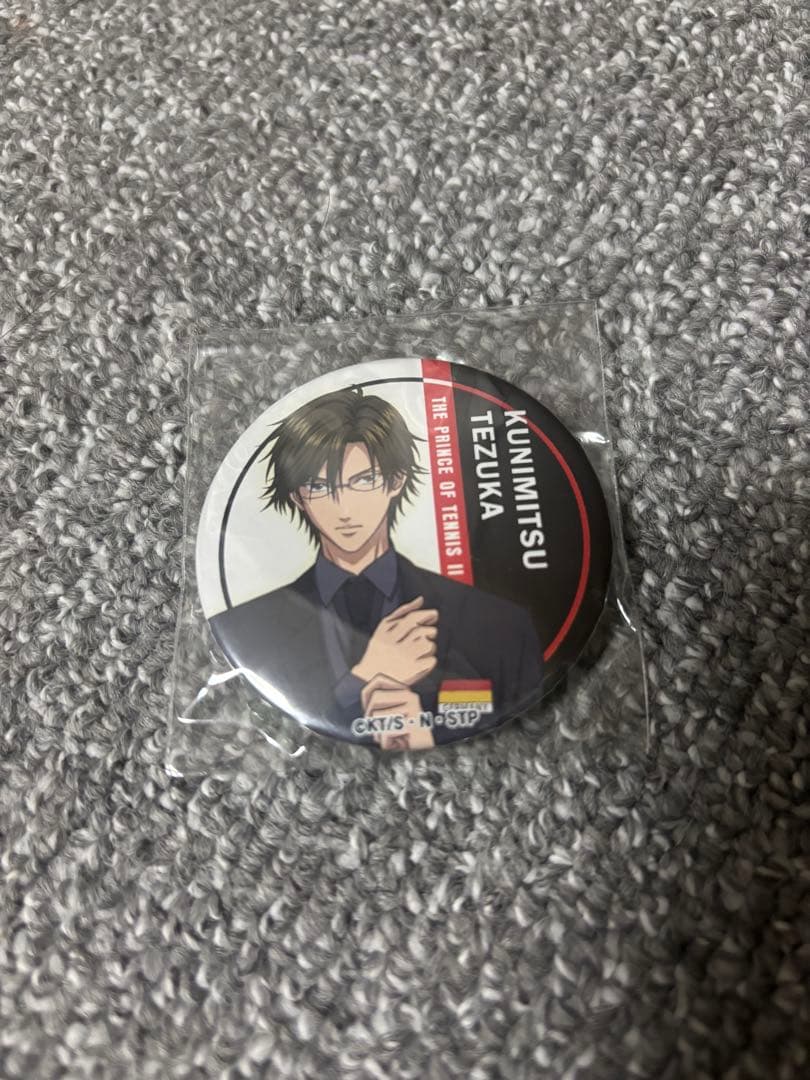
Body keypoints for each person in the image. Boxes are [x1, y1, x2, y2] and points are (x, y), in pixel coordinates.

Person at [209, 387, 542, 748]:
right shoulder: (245, 628)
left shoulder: (501, 626)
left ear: (395, 480)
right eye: (319, 486)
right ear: (297, 497)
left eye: (363, 481)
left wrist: (429, 731)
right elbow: (258, 728)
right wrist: (366, 675)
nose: (344, 509)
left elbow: (519, 730)